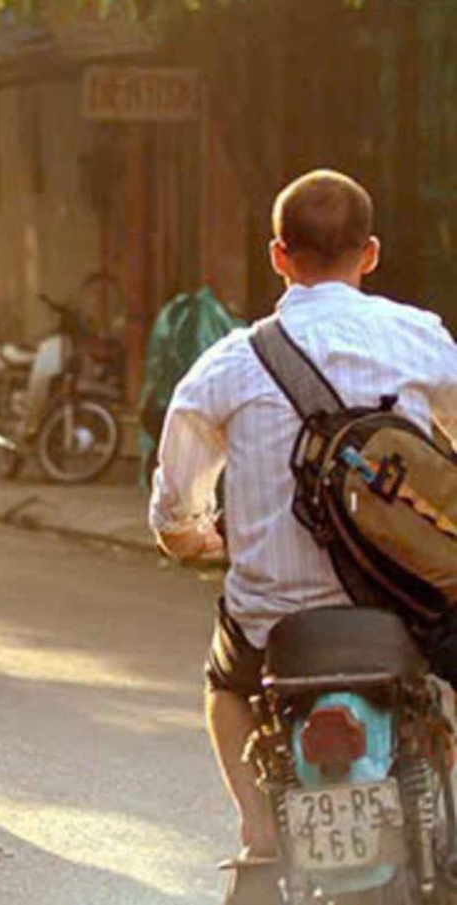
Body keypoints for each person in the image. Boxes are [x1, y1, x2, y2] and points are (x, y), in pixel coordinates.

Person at [149, 169, 457, 899]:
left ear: (279, 255)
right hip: (404, 614)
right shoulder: (421, 339)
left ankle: (258, 830)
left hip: (272, 625)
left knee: (225, 686)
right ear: (371, 253)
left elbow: (172, 515)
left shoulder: (225, 366)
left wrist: (198, 538)